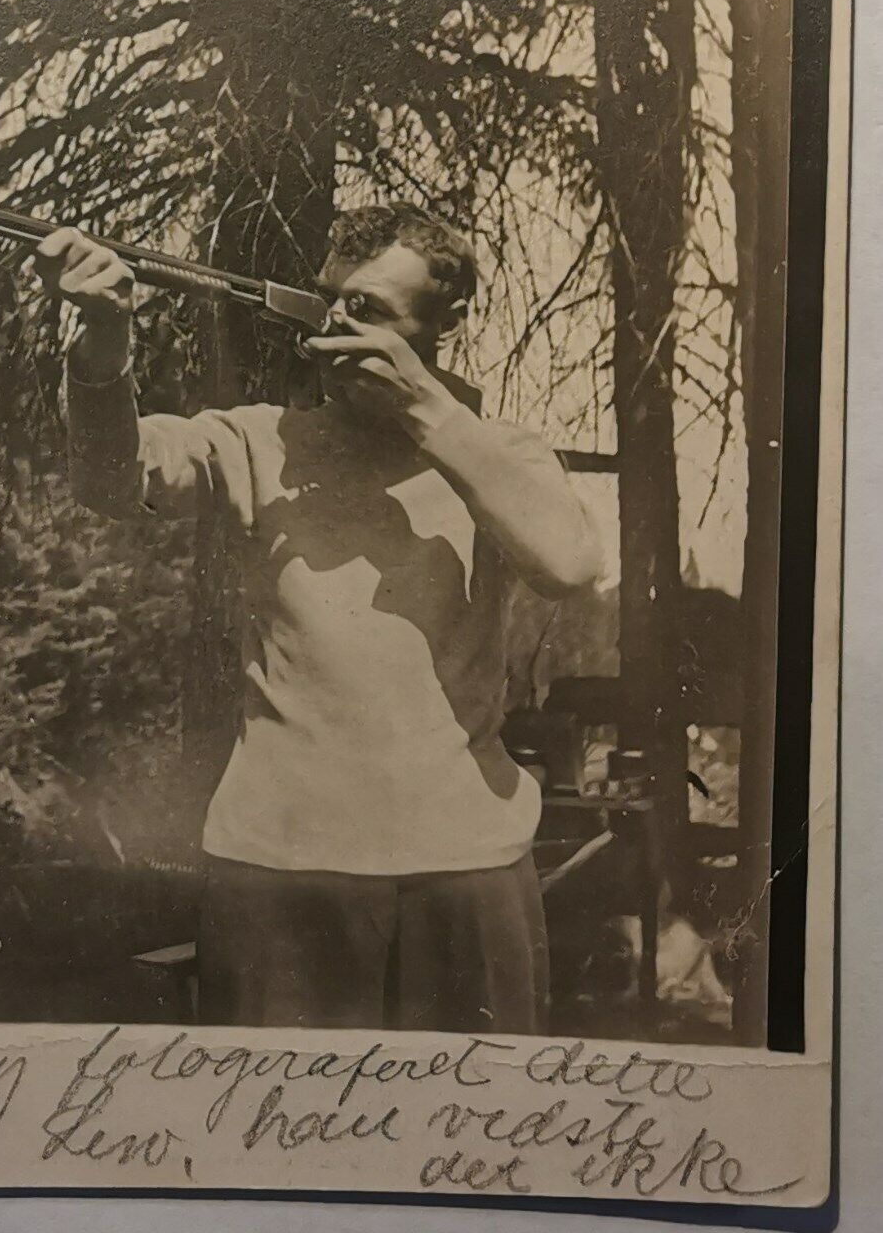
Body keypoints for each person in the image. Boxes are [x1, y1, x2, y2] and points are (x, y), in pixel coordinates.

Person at [35, 202, 601, 1033]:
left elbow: (569, 565)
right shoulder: (261, 440)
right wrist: (102, 343)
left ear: (443, 325)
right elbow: (112, 480)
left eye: (368, 311)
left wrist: (426, 412)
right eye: (329, 300)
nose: (331, 327)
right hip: (280, 871)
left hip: (465, 870)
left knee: (469, 1146)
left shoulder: (496, 452)